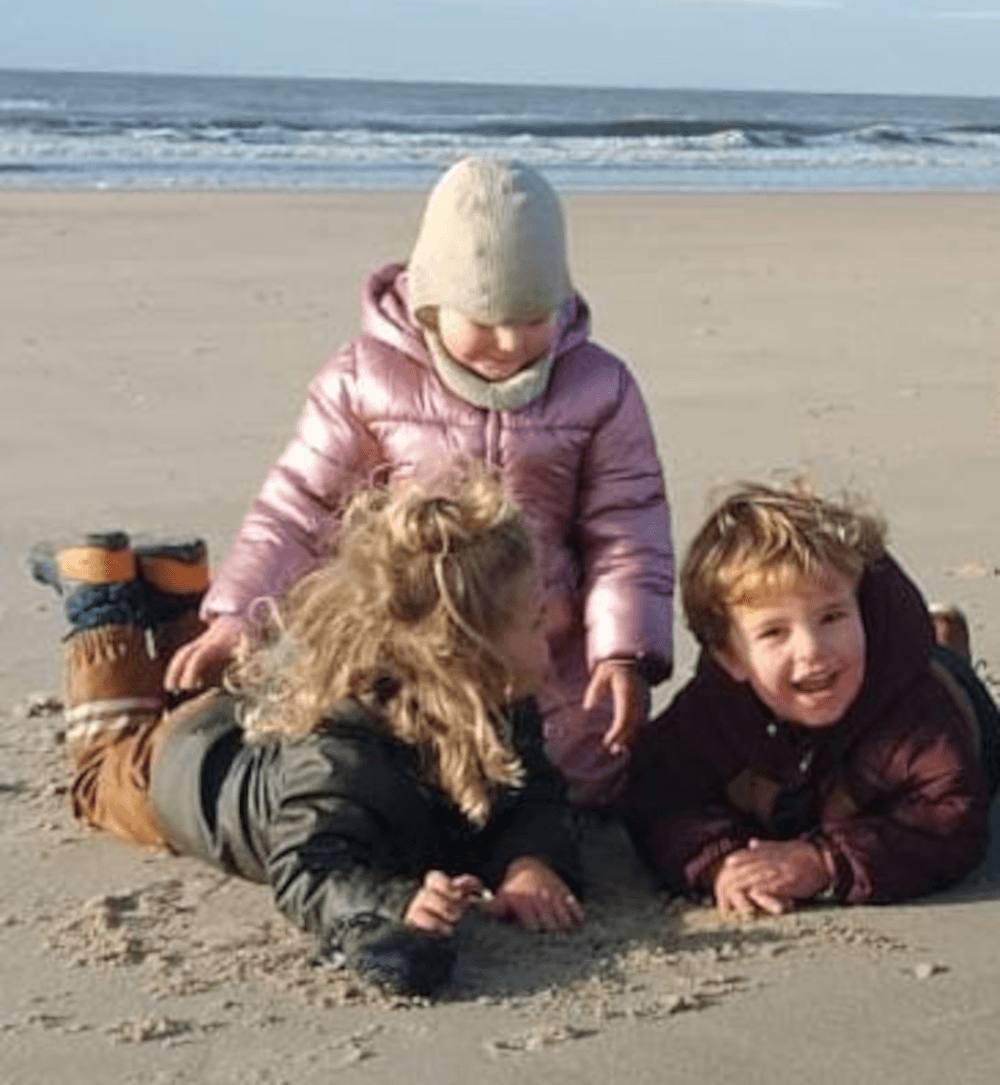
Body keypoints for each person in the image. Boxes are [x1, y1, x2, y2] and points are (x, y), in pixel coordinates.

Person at [165, 156, 674, 806]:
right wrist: (238, 615)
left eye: (532, 315)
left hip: (543, 641)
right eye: (483, 319)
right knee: (397, 788)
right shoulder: (363, 380)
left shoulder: (600, 388)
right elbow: (299, 505)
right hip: (408, 640)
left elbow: (627, 527)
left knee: (580, 782)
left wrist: (622, 650)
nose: (510, 340)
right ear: (431, 300)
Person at [29, 469, 584, 996]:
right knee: (101, 777)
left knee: (204, 691)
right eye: (534, 622)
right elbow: (308, 867)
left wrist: (530, 862)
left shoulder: (498, 701)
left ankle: (178, 587)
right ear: (462, 656)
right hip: (187, 772)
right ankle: (97, 597)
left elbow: (533, 792)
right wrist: (394, 904)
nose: (553, 629)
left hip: (255, 729)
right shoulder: (343, 758)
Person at [624, 482, 1000, 916]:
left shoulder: (920, 715)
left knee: (950, 674)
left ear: (863, 609)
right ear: (731, 657)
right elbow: (657, 792)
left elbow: (950, 822)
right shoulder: (715, 710)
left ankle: (945, 645)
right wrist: (718, 861)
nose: (812, 649)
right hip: (810, 773)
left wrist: (826, 863)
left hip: (945, 701)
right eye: (774, 632)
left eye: (832, 617)